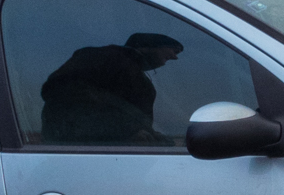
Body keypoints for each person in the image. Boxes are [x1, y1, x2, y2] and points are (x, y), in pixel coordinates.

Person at [40, 32, 183, 144]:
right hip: (85, 154)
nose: (175, 57)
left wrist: (149, 134)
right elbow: (63, 93)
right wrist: (127, 132)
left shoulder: (134, 72)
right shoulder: (104, 56)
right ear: (150, 45)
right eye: (174, 50)